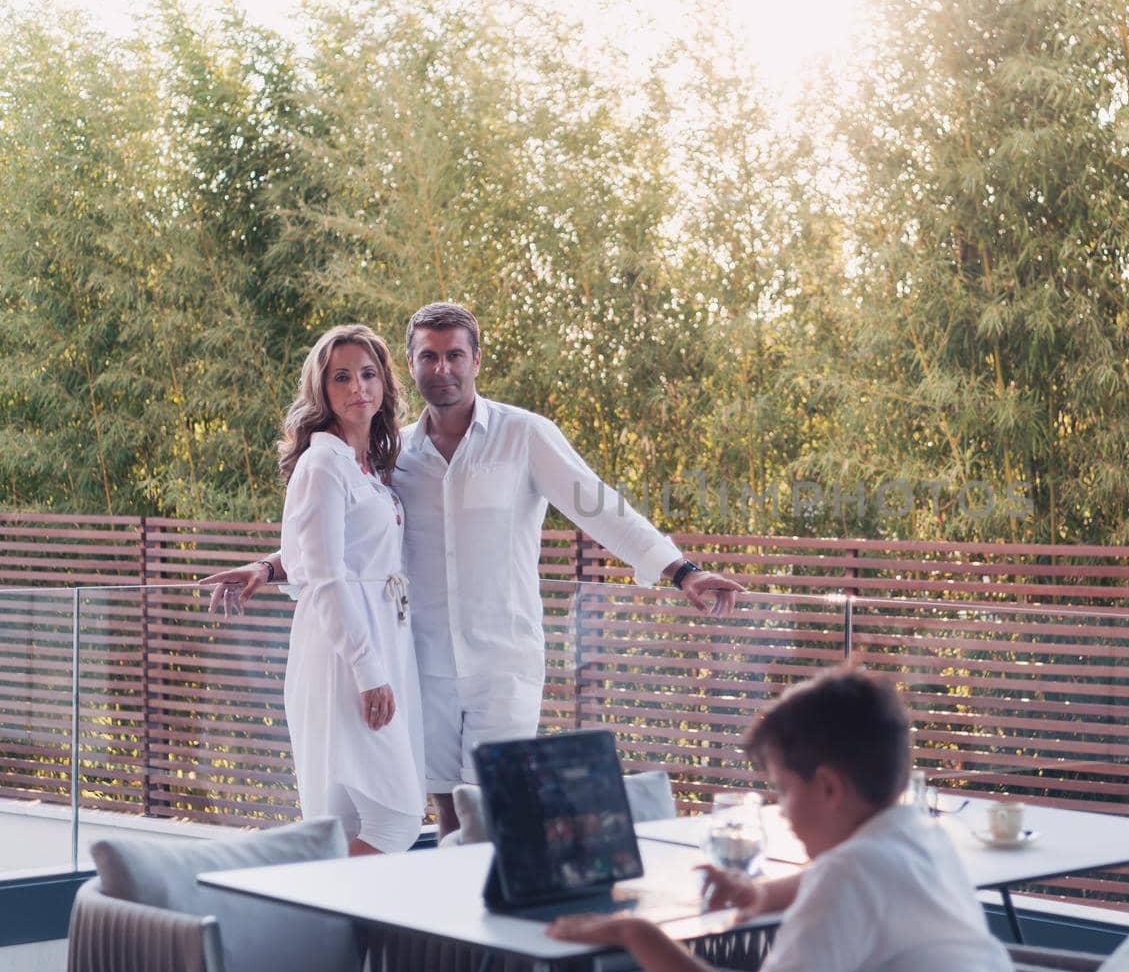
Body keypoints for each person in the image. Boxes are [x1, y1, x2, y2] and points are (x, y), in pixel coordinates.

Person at [207, 302, 743, 838]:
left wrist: (682, 571)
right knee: (446, 817)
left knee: (494, 818)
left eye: (455, 355)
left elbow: (598, 506)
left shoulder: (524, 436)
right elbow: (354, 542)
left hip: (503, 663)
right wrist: (269, 567)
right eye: (428, 357)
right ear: (411, 368)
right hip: (423, 662)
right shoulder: (394, 452)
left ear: (477, 359)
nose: (443, 369)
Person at [547, 667, 1018, 972]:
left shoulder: (851, 875)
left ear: (830, 789)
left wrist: (638, 934)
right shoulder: (916, 834)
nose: (783, 810)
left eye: (784, 789)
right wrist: (763, 896)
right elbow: (834, 878)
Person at [276, 324, 425, 856]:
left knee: (341, 822)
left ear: (384, 383)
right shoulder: (322, 463)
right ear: (323, 390)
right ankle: (298, 922)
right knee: (397, 818)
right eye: (342, 377)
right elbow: (323, 573)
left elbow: (316, 553)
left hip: (383, 640)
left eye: (368, 373)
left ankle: (331, 937)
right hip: (346, 655)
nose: (358, 386)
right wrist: (367, 670)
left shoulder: (368, 468)